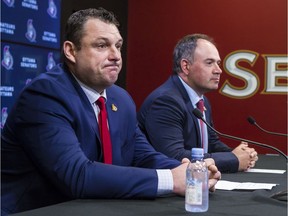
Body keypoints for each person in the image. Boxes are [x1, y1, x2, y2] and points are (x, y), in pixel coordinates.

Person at [0, 9, 221, 215]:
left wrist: (192, 171)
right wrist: (171, 180)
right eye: (101, 45)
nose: (115, 55)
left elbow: (141, 154)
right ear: (71, 51)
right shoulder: (45, 96)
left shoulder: (120, 98)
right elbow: (76, 175)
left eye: (118, 45)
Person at [137, 34, 258, 173]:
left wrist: (241, 154)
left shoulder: (201, 99)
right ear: (186, 66)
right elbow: (175, 156)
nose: (218, 70)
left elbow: (211, 144)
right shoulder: (165, 101)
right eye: (209, 63)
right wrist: (233, 159)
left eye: (218, 63)